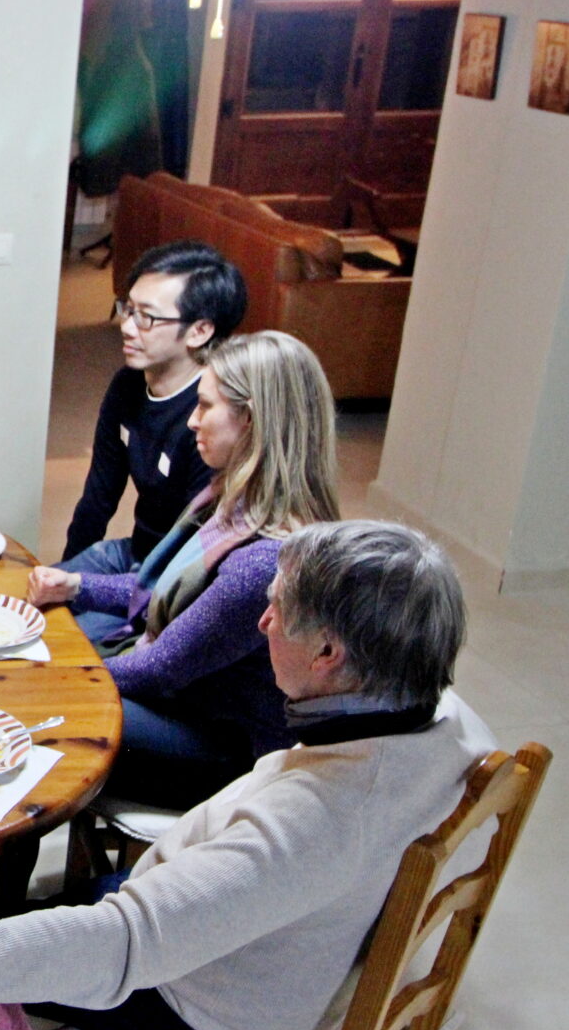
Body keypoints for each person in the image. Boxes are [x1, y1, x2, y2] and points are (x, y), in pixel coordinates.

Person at [0, 520, 495, 1030]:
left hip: (206, 1015)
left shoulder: (320, 819)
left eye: (277, 612)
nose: (263, 625)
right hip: (247, 951)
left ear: (331, 654)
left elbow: (121, 947)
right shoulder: (449, 720)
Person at [29, 330, 339, 805]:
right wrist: (75, 587)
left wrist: (46, 680)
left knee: (43, 719)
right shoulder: (233, 499)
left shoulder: (265, 561)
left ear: (251, 422)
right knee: (44, 658)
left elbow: (160, 669)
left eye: (205, 407)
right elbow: (164, 592)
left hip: (220, 749)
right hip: (188, 702)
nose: (192, 421)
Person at [58, 241, 247, 635]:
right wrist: (63, 587)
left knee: (65, 647)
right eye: (128, 308)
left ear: (199, 330)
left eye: (146, 317)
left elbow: (189, 566)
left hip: (171, 577)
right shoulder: (128, 384)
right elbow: (98, 496)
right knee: (26, 605)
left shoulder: (211, 418)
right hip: (131, 552)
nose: (127, 326)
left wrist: (83, 596)